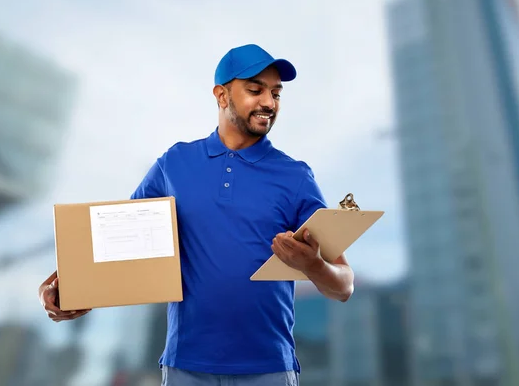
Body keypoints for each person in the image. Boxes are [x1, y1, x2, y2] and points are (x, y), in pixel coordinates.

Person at [39, 44, 354, 385]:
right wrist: (59, 287)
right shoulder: (174, 164)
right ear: (221, 95)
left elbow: (344, 285)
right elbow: (117, 244)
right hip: (185, 367)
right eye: (255, 90)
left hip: (269, 369)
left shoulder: (295, 177)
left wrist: (312, 265)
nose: (269, 102)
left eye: (276, 93)